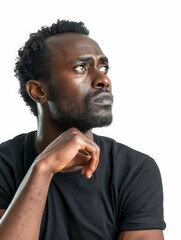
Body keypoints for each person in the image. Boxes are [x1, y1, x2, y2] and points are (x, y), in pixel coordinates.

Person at [0, 19, 166, 240]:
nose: (104, 79)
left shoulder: (134, 170)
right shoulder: (4, 165)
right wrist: (43, 169)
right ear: (39, 91)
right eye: (81, 67)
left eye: (103, 67)